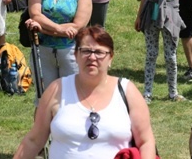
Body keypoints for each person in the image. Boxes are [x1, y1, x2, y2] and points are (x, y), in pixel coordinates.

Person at [13, 26, 156, 159]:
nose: (92, 57)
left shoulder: (127, 91)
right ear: (76, 55)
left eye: (99, 52)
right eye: (86, 51)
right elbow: (33, 141)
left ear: (110, 58)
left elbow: (146, 141)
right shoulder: (56, 89)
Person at [24, 0, 92, 93]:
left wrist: (44, 28)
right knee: (44, 100)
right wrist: (60, 29)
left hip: (71, 52)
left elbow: (78, 26)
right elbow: (35, 14)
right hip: (43, 50)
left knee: (72, 98)